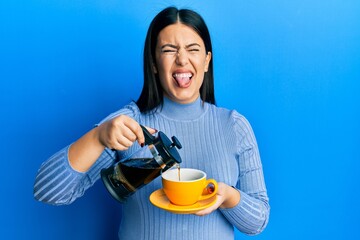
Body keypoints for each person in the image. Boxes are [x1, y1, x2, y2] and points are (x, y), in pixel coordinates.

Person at [34, 6, 270, 240]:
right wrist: (97, 137)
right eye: (169, 50)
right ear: (154, 63)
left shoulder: (234, 126)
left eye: (193, 49)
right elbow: (48, 192)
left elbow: (258, 222)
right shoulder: (128, 124)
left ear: (207, 61)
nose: (182, 60)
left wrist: (228, 196)